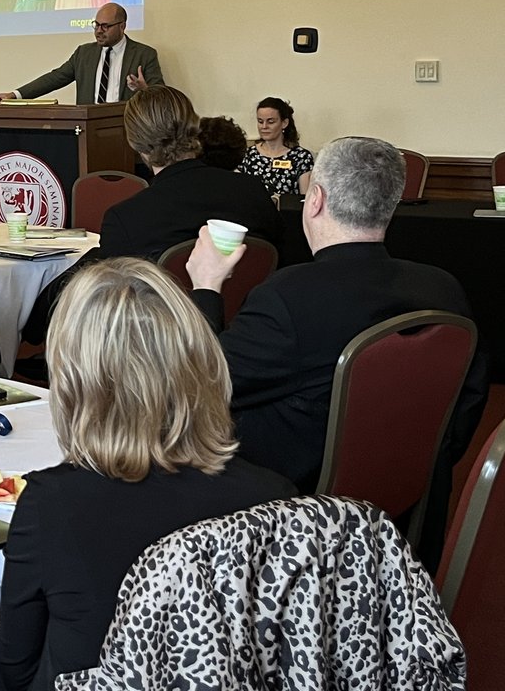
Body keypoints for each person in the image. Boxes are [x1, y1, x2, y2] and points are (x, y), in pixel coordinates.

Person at [0, 260, 294, 691]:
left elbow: (19, 669)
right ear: (202, 364)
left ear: (73, 382)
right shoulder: (276, 495)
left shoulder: (52, 503)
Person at [185, 135, 488, 562]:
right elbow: (467, 406)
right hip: (406, 506)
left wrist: (206, 287)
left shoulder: (289, 297)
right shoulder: (442, 288)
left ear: (315, 200)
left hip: (291, 517)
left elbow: (198, 384)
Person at [21, 86, 279, 349]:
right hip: (251, 344)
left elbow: (105, 309)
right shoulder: (252, 192)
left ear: (135, 142)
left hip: (159, 357)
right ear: (194, 127)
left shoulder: (128, 218)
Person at [0, 3, 162, 104]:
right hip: (89, 128)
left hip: (127, 131)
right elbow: (55, 78)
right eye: (96, 25)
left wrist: (145, 90)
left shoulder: (144, 54)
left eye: (105, 26)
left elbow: (163, 96)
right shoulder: (84, 54)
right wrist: (15, 95)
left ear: (122, 26)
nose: (99, 31)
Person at [238, 96, 314, 197]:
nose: (264, 126)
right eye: (260, 121)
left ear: (284, 123)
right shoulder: (248, 155)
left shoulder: (301, 157)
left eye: (270, 122)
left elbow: (305, 199)